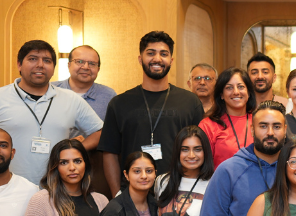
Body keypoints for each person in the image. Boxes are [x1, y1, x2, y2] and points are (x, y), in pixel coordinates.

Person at [0, 39, 103, 184]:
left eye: (47, 60)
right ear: (19, 64)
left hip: (57, 193)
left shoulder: (71, 99)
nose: (40, 65)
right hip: (8, 194)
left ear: (53, 68)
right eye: (32, 59)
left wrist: (73, 150)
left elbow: (100, 132)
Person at [99, 31, 205, 195]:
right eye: (150, 53)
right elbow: (110, 153)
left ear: (171, 60)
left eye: (164, 54)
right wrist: (117, 195)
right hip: (132, 194)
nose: (157, 59)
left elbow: (201, 149)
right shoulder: (119, 103)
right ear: (140, 59)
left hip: (179, 193)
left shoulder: (190, 102)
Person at [198, 68, 254, 169]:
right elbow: (202, 166)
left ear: (249, 93)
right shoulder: (208, 125)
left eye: (241, 87)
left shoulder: (260, 122)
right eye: (229, 88)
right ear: (221, 95)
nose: (236, 92)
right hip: (221, 183)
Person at [52, 44, 116, 122]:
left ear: (98, 69)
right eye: (80, 62)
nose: (86, 67)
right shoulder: (51, 90)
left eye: (92, 64)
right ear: (69, 65)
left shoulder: (109, 96)